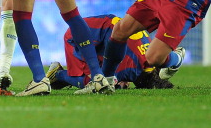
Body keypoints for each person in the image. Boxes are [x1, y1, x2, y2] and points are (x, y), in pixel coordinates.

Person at [46, 14, 174, 91]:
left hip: (101, 35)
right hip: (77, 35)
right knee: (98, 83)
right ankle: (58, 74)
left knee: (103, 76)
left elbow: (178, 54)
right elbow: (110, 80)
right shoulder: (131, 71)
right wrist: (118, 82)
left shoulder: (158, 56)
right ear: (138, 81)